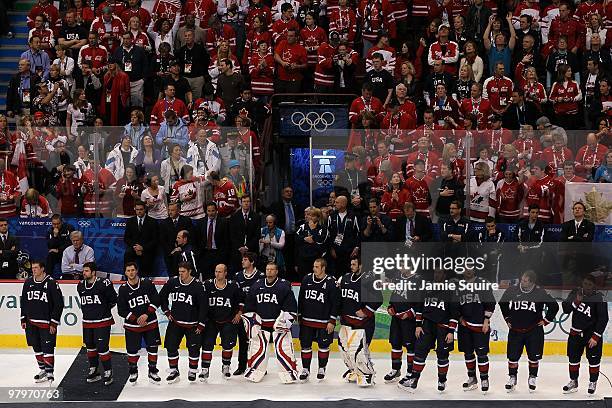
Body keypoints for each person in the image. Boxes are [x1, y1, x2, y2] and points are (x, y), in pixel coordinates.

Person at [499, 270, 559, 392]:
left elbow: (554, 306)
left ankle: (532, 377)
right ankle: (512, 377)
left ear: (532, 282)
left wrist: (547, 320)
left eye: (525, 281)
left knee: (533, 357)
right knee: (513, 357)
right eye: (522, 279)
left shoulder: (540, 292)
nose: (522, 282)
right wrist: (507, 318)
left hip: (534, 331)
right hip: (515, 330)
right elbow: (502, 303)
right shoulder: (512, 290)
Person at [401, 269, 458, 393]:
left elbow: (455, 312)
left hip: (443, 326)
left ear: (445, 275)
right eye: (435, 272)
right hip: (426, 325)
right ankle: (414, 379)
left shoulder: (451, 290)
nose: (437, 274)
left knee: (442, 355)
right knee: (420, 350)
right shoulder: (427, 287)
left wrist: (451, 331)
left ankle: (442, 380)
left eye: (440, 272)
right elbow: (420, 307)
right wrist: (417, 325)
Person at [244, 262, 298, 383]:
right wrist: (252, 322)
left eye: (272, 269)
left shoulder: (284, 286)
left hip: (278, 326)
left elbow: (291, 307)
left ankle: (288, 372)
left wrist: (284, 321)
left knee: (284, 349)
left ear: (277, 271)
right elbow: (249, 305)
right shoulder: (257, 285)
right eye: (267, 269)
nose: (269, 271)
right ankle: (255, 370)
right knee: (257, 349)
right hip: (261, 326)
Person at [561, 274, 609, 395]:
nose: (586, 286)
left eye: (589, 285)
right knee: (573, 359)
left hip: (591, 336)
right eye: (585, 283)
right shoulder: (575, 292)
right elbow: (566, 309)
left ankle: (593, 382)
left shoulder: (599, 298)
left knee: (594, 360)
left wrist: (596, 336)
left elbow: (603, 319)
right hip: (575, 334)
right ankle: (573, 381)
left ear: (594, 286)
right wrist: (577, 301)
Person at [160, 261, 207, 383]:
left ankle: (192, 370)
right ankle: (174, 370)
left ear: (190, 271)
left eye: (183, 272)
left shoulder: (198, 285)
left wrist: (201, 323)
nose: (181, 274)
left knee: (194, 349)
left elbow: (204, 306)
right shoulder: (173, 282)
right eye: (179, 271)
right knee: (170, 347)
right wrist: (166, 311)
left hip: (193, 325)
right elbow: (162, 296)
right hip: (175, 323)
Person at [337, 257, 382, 386]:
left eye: (354, 264)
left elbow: (378, 298)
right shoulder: (345, 278)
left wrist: (366, 311)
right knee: (345, 349)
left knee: (360, 351)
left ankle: (367, 374)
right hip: (347, 322)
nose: (351, 266)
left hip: (364, 323)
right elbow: (340, 297)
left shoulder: (369, 279)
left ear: (361, 265)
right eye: (351, 264)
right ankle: (354, 370)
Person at [117, 262, 162, 384]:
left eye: (132, 270)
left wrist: (146, 314)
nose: (131, 273)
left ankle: (152, 371)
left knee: (153, 348)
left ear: (137, 271)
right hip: (132, 326)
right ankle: (133, 371)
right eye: (128, 271)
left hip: (150, 323)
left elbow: (156, 299)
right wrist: (135, 319)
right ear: (125, 273)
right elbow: (121, 309)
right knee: (132, 350)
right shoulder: (123, 289)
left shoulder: (147, 283)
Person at [20, 261, 63, 384]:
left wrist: (54, 322)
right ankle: (43, 370)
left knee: (47, 348)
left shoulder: (51, 283)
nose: (33, 270)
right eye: (32, 268)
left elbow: (59, 304)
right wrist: (23, 318)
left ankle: (50, 372)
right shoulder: (28, 282)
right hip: (31, 322)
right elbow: (23, 302)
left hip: (47, 324)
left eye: (36, 268)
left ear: (42, 269)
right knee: (37, 347)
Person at [200, 264, 244, 381]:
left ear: (225, 273)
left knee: (228, 345)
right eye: (216, 271)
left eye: (220, 271)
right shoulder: (207, 284)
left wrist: (239, 314)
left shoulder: (233, 286)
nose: (217, 274)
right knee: (207, 344)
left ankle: (226, 366)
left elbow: (241, 301)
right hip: (211, 321)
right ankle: (205, 369)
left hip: (228, 320)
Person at [455, 267, 496, 393]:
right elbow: (454, 304)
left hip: (480, 326)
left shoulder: (483, 283)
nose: (468, 271)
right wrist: (459, 317)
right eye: (465, 269)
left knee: (482, 354)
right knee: (468, 353)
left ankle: (484, 378)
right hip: (465, 326)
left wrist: (486, 320)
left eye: (470, 269)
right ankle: (472, 378)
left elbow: (491, 303)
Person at [297, 258, 339, 381]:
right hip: (306, 320)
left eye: (317, 267)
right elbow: (301, 298)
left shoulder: (331, 282)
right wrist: (299, 315)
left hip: (324, 322)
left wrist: (332, 320)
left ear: (323, 268)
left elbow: (335, 303)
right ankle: (305, 369)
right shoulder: (307, 279)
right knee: (305, 345)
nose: (314, 269)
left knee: (323, 345)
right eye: (314, 266)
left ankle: (322, 368)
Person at [77, 262, 117, 386]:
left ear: (93, 272)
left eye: (87, 271)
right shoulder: (80, 286)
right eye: (83, 271)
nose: (84, 273)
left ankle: (108, 371)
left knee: (102, 347)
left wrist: (102, 311)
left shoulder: (103, 284)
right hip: (87, 322)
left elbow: (113, 300)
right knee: (89, 346)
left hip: (102, 321)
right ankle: (94, 369)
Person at [232, 253, 264, 375]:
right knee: (243, 340)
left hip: (257, 314)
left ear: (252, 262)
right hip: (242, 313)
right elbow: (236, 296)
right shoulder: (238, 276)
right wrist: (239, 311)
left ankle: (259, 366)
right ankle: (241, 366)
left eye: (245, 260)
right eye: (242, 259)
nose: (242, 262)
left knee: (257, 340)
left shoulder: (260, 276)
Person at [123, 201, 158, 276]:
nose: (139, 211)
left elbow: (155, 240)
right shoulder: (130, 221)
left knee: (148, 257)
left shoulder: (153, 222)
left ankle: (145, 280)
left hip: (147, 248)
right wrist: (135, 247)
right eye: (137, 209)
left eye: (141, 209)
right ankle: (128, 278)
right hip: (134, 248)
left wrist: (143, 248)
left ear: (145, 209)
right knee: (128, 254)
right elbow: (126, 238)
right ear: (135, 209)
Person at [197, 202, 230, 280]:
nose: (211, 213)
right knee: (206, 279)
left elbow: (227, 240)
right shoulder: (201, 222)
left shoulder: (224, 222)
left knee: (219, 278)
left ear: (216, 210)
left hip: (219, 254)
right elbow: (197, 239)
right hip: (205, 254)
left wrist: (224, 254)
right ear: (206, 211)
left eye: (213, 211)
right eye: (209, 211)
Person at [228, 195, 261, 273]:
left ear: (250, 203)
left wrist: (247, 247)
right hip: (238, 251)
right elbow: (232, 234)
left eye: (248, 201)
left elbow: (257, 235)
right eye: (244, 201)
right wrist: (240, 247)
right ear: (241, 203)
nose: (246, 203)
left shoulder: (256, 217)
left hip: (252, 250)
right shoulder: (234, 216)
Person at [295, 207, 328, 279]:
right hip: (303, 259)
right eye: (309, 215)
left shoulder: (323, 228)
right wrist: (305, 239)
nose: (310, 217)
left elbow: (321, 241)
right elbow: (297, 239)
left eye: (313, 216)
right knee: (303, 280)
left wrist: (313, 230)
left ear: (318, 217)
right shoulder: (303, 226)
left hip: (316, 259)